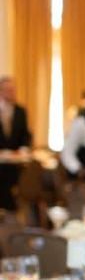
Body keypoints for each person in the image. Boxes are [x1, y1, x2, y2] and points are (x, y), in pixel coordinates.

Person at [0, 75, 31, 211]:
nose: (11, 93)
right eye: (7, 90)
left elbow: (25, 134)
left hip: (15, 162)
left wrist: (24, 148)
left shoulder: (20, 111)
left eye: (13, 90)